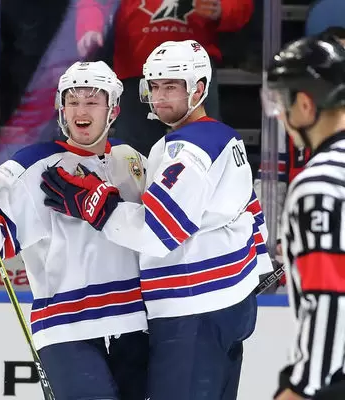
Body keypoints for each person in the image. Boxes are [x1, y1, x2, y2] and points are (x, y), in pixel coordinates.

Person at [40, 40, 273, 400]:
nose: (161, 96)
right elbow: (253, 217)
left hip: (193, 309)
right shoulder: (225, 138)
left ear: (199, 88)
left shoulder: (187, 148)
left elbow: (159, 230)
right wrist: (256, 273)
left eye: (172, 87)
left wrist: (93, 204)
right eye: (155, 86)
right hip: (232, 306)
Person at [0, 60, 149, 399]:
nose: (80, 110)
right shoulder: (32, 165)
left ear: (112, 108)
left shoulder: (132, 160)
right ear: (61, 107)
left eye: (92, 100)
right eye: (73, 100)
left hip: (134, 323)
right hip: (66, 329)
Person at [262, 34, 345, 400]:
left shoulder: (319, 183)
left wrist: (301, 388)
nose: (280, 115)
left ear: (306, 105)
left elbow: (329, 297)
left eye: (283, 101)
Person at [76, 0, 254, 155]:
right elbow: (94, 3)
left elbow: (241, 5)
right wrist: (90, 27)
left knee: (204, 145)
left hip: (194, 69)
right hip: (137, 68)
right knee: (134, 154)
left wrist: (224, 8)